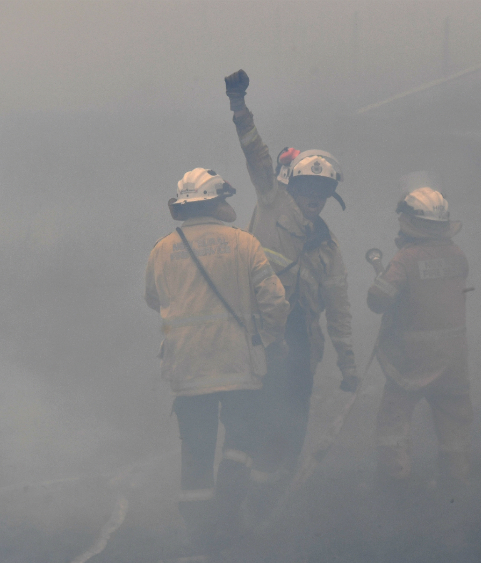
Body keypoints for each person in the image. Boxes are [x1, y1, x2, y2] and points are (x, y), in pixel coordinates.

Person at [144, 168, 289, 551]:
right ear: (215, 203)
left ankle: (198, 536)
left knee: (196, 450)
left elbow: (153, 298)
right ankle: (228, 516)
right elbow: (275, 302)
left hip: (187, 370)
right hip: (237, 365)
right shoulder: (244, 244)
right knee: (240, 442)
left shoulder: (162, 249)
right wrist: (268, 339)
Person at [224, 70, 359, 480]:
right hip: (257, 332)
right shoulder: (271, 202)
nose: (313, 198)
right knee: (254, 410)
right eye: (307, 189)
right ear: (293, 187)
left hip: (302, 342)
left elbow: (338, 309)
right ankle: (237, 488)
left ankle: (274, 487)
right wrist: (239, 106)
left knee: (294, 415)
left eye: (321, 192)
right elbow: (256, 156)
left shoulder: (328, 248)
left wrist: (349, 365)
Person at [366, 185, 474, 491]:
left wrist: (384, 275)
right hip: (454, 360)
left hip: (413, 361)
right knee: (454, 421)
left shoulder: (406, 258)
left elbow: (377, 301)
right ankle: (456, 480)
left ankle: (395, 480)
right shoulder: (458, 255)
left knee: (394, 419)